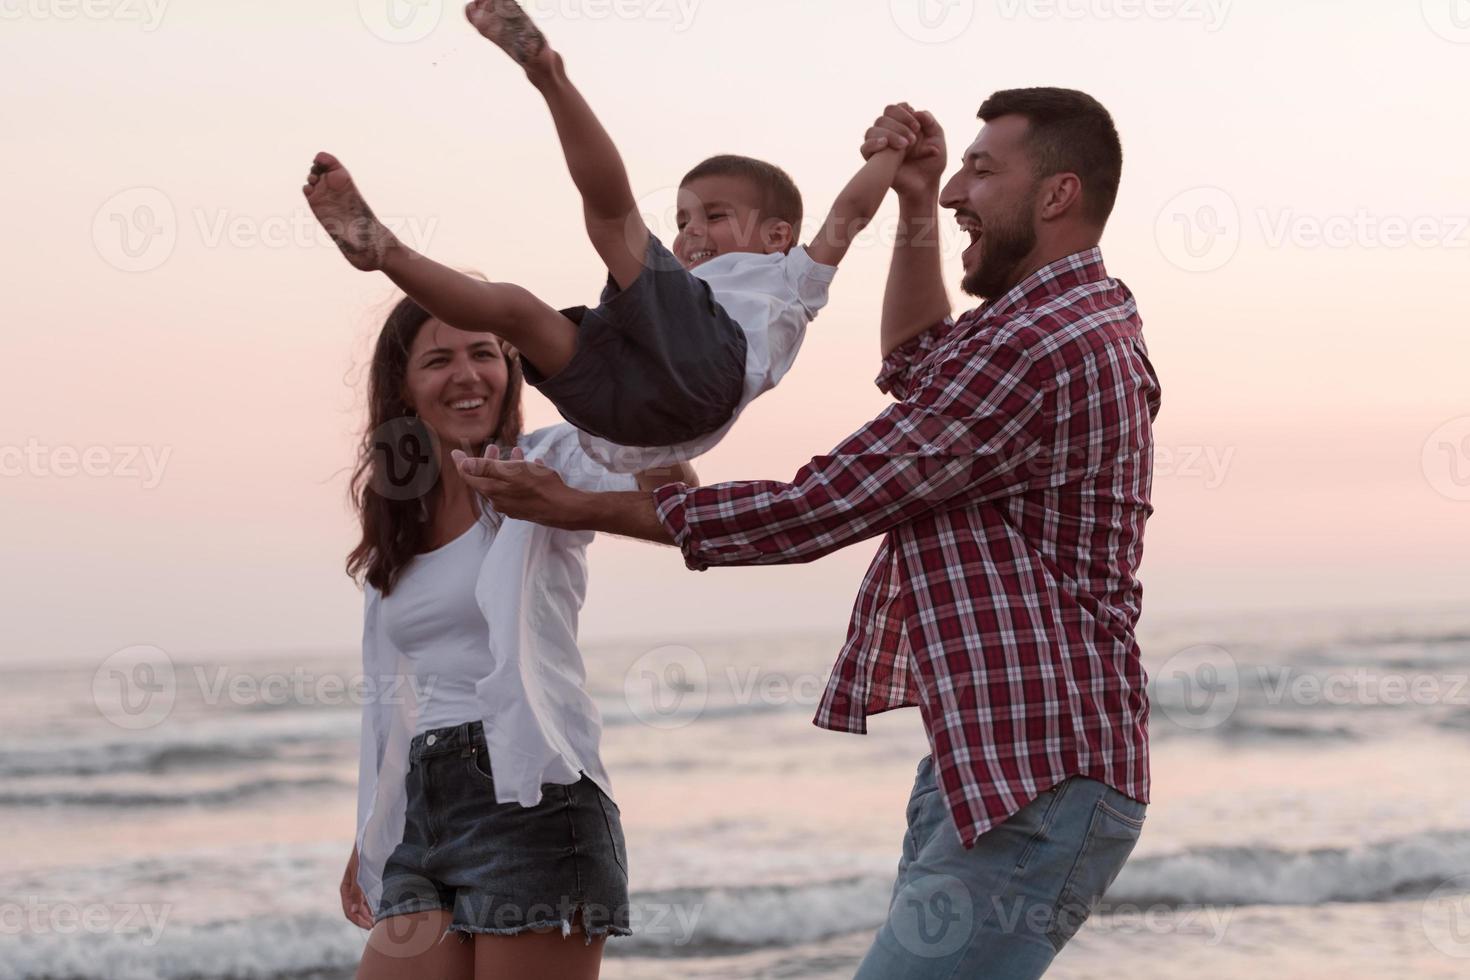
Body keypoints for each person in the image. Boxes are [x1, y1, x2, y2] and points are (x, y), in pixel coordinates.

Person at [453, 91, 1163, 978]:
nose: (955, 195)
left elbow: (811, 510)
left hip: (1037, 775)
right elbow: (913, 361)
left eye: (982, 172)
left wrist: (575, 503)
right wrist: (909, 197)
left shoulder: (1040, 346)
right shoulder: (1051, 323)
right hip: (999, 763)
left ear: (1056, 195)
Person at [302, 0, 917, 472]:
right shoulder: (678, 291)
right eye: (682, 222)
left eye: (715, 216)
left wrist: (889, 152)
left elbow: (853, 211)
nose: (693, 234)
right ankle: (381, 251)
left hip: (712, 369)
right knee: (516, 310)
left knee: (611, 223)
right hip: (634, 416)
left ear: (779, 235)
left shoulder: (792, 277)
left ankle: (548, 75)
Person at [340, 295, 691, 979]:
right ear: (404, 388)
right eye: (439, 359)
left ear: (510, 367)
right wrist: (373, 830)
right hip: (421, 811)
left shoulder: (549, 460)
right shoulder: (397, 520)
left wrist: (631, 384)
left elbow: (674, 501)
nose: (467, 374)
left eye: (484, 353)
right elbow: (394, 694)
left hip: (533, 800)